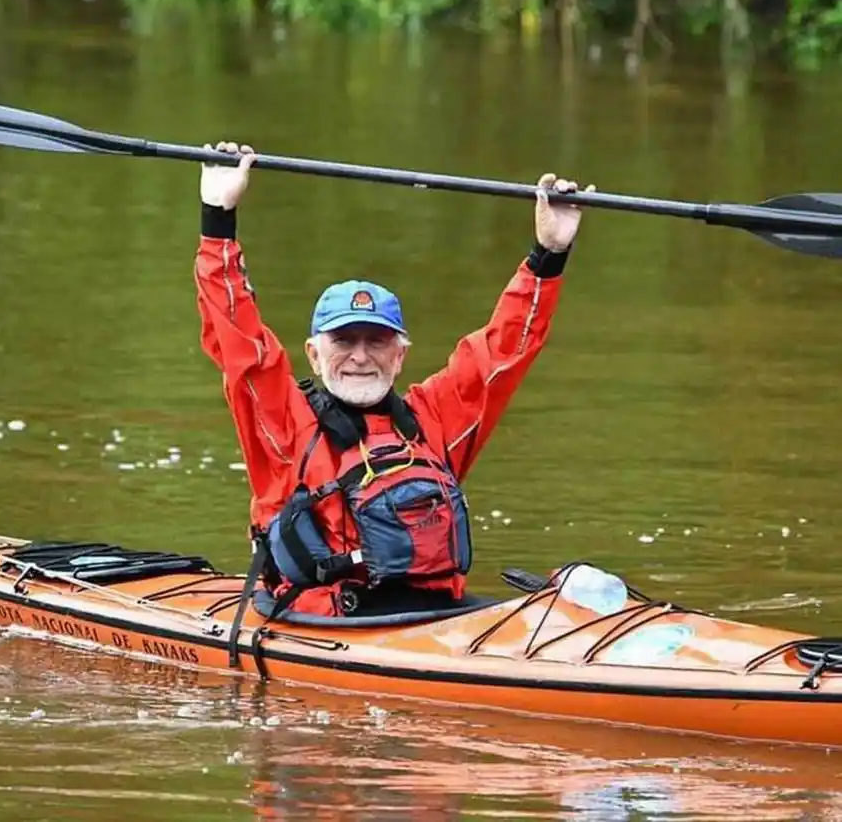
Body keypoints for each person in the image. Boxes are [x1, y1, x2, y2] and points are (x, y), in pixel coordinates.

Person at [195, 142, 595, 618]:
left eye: (377, 341)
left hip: (436, 619)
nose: (361, 357)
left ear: (401, 354)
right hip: (325, 622)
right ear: (314, 355)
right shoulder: (284, 422)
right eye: (344, 341)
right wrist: (218, 219)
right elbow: (238, 337)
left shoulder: (433, 418)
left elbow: (504, 350)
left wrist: (549, 252)